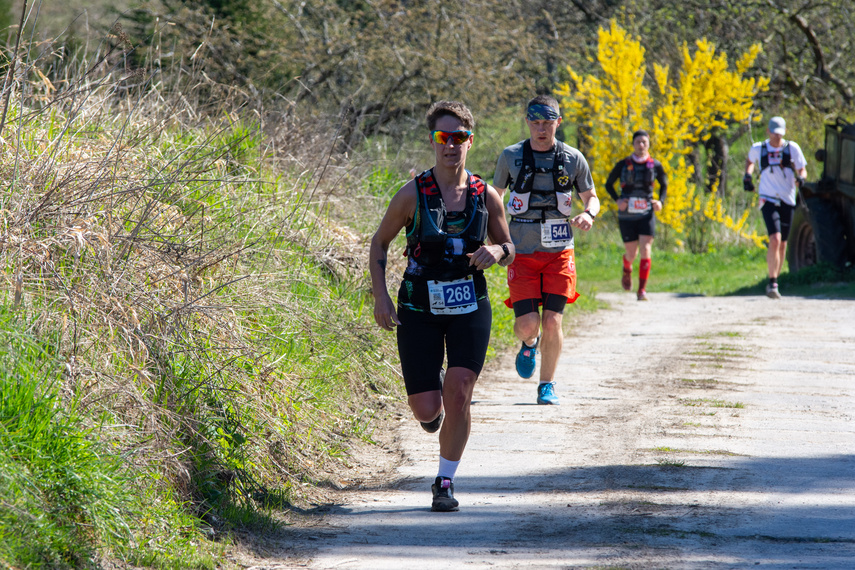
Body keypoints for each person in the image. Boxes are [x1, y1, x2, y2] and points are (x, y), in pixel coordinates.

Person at [369, 101, 514, 512]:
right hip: (419, 306)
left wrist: (496, 250)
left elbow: (509, 247)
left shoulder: (486, 196)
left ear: (471, 140)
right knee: (428, 408)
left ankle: (445, 481)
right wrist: (380, 296)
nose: (451, 145)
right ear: (434, 141)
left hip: (470, 304)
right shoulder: (412, 193)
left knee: (460, 391)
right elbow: (379, 244)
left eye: (459, 138)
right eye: (442, 138)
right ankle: (430, 409)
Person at [493, 95, 599, 406]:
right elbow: (494, 198)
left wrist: (588, 214)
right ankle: (530, 343)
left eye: (548, 123)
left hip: (559, 251)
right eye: (535, 122)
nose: (541, 129)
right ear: (527, 121)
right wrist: (495, 240)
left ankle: (547, 385)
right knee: (528, 324)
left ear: (558, 122)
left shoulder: (573, 158)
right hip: (521, 252)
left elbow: (592, 196)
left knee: (553, 320)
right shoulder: (510, 156)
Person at [743, 116, 807, 299]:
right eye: (774, 133)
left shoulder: (792, 148)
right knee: (775, 238)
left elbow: (802, 168)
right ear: (768, 132)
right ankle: (772, 282)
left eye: (780, 134)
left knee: (783, 243)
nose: (777, 137)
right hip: (767, 199)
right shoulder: (759, 148)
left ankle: (776, 280)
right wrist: (747, 176)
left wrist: (801, 178)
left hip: (787, 199)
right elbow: (749, 162)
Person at [604, 130, 668, 301]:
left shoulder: (655, 165)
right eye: (638, 142)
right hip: (627, 215)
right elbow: (608, 184)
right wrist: (618, 200)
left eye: (644, 142)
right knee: (631, 254)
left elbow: (664, 185)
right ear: (633, 144)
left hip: (646, 213)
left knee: (646, 250)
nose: (641, 145)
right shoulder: (623, 164)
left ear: (648, 144)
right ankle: (627, 268)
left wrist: (660, 201)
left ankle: (641, 291)